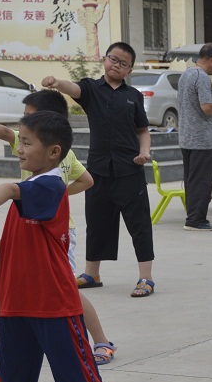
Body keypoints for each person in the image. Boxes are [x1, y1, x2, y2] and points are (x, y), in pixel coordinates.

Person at [0, 111, 117, 382]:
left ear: (53, 151)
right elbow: (33, 227)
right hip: (16, 300)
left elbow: (10, 190)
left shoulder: (49, 183)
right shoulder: (33, 184)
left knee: (73, 372)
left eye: (27, 142)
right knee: (12, 373)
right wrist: (7, 241)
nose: (19, 149)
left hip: (53, 302)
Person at [0, 90, 117, 365]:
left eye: (29, 118)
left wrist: (59, 196)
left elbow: (87, 181)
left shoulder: (56, 162)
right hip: (30, 224)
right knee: (26, 285)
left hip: (55, 232)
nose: (21, 138)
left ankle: (101, 341)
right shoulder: (34, 148)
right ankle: (15, 341)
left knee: (66, 290)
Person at [42, 41, 155, 298]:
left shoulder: (133, 96)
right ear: (104, 60)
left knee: (139, 225)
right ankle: (92, 274)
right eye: (113, 59)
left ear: (129, 70)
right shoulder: (92, 89)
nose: (117, 65)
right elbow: (74, 88)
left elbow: (142, 130)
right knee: (96, 222)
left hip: (129, 169)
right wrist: (57, 82)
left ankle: (146, 278)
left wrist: (144, 152)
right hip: (99, 169)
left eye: (123, 63)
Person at [177, 42, 212, 232]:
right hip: (200, 138)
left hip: (186, 137)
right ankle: (196, 220)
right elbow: (206, 107)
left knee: (191, 179)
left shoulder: (186, 75)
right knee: (202, 180)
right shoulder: (202, 77)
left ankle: (192, 215)